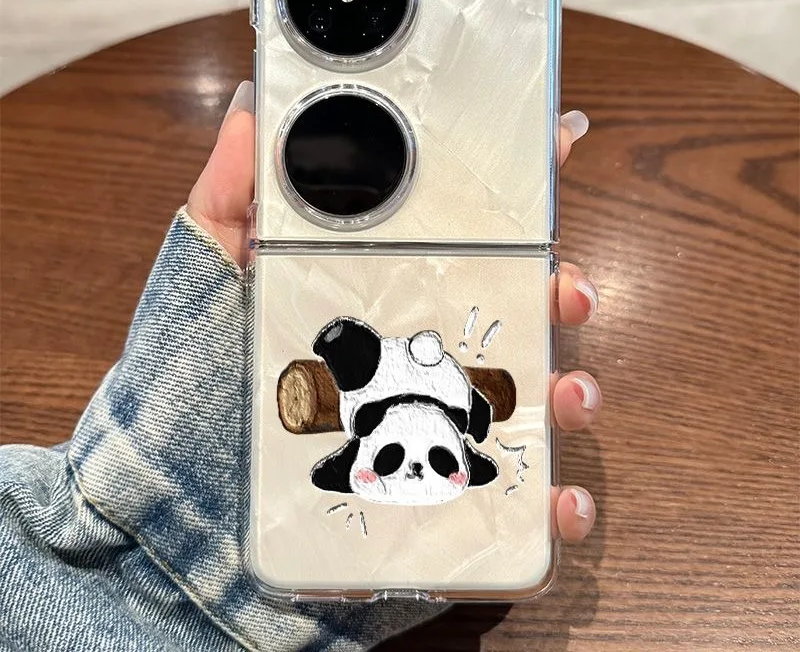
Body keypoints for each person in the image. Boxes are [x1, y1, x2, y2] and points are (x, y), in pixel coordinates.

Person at [0, 82, 602, 652]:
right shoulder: (452, 416)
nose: (419, 465)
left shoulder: (367, 418)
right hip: (434, 383)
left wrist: (152, 508)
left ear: (358, 467)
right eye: (444, 466)